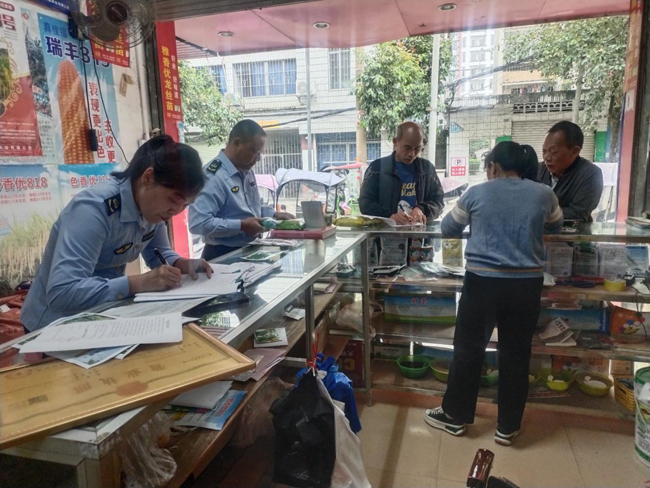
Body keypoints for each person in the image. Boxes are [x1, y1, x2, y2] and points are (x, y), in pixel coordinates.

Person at [423, 141, 563, 446]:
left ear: (493, 166)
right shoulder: (544, 193)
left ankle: (455, 417)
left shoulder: (476, 192)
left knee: (468, 350)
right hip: (525, 286)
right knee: (516, 354)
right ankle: (507, 427)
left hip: (482, 284)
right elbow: (557, 225)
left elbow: (448, 228)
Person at [21, 136, 213, 332]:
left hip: (99, 316)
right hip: (52, 326)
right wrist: (137, 283)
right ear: (148, 178)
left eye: (185, 205)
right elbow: (62, 292)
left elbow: (159, 252)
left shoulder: (152, 208)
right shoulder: (93, 210)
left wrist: (180, 264)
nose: (176, 211)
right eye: (173, 200)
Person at [189, 120, 294, 260]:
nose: (258, 159)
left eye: (260, 153)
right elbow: (199, 223)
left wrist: (274, 215)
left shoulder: (246, 170)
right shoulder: (213, 177)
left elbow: (253, 207)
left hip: (251, 248)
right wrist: (241, 226)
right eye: (254, 152)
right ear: (237, 143)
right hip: (222, 254)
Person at [359, 122, 444, 225]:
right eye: (407, 148)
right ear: (395, 142)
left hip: (419, 233)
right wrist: (389, 217)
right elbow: (365, 203)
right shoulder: (377, 169)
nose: (412, 154)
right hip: (385, 233)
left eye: (417, 148)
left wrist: (421, 209)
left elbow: (439, 202)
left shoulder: (427, 169)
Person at [538, 120, 603, 222]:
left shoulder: (590, 174)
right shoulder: (538, 169)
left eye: (553, 152)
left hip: (573, 231)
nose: (547, 157)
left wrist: (539, 213)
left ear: (574, 152)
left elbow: (578, 213)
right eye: (544, 151)